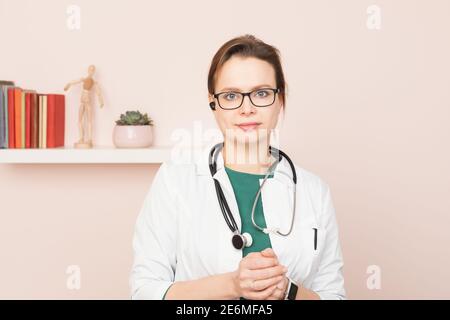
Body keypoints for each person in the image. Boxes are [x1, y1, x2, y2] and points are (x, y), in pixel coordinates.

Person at [130, 35, 346, 300]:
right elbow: (145, 292)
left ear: (280, 100)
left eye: (262, 93)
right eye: (231, 96)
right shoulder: (175, 181)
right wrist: (231, 285)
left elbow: (334, 296)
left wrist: (289, 291)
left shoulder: (315, 191)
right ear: (214, 103)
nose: (247, 108)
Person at [64, 65, 104, 148]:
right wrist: (68, 85)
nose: (91, 71)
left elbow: (98, 91)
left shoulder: (93, 81)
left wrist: (101, 100)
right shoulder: (84, 79)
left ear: (94, 72)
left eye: (93, 70)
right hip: (82, 100)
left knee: (89, 120)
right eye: (90, 69)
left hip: (87, 100)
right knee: (79, 120)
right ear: (88, 70)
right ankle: (81, 137)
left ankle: (89, 139)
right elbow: (75, 81)